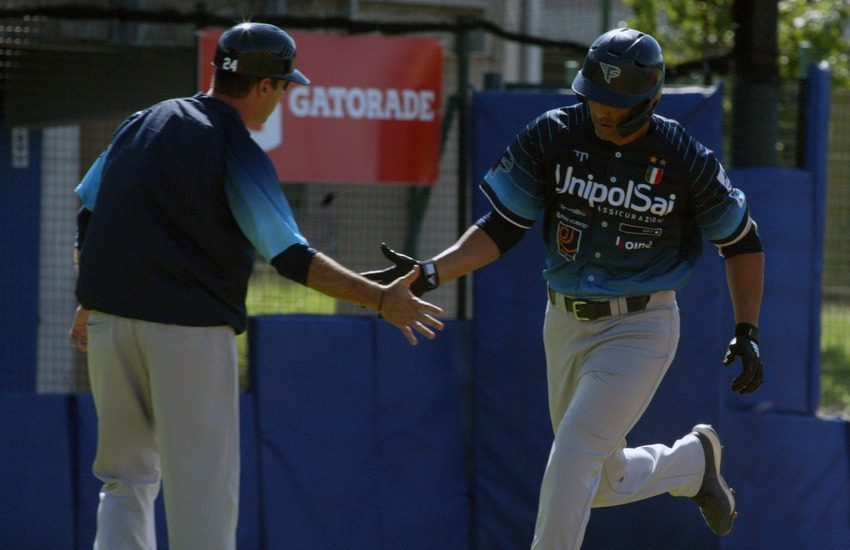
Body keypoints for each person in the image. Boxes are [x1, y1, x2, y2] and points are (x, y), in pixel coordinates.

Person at [363, 27, 765, 549]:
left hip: (640, 325)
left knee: (573, 456)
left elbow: (741, 241)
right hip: (565, 321)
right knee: (599, 480)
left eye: (617, 102)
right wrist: (432, 272)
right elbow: (502, 226)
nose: (601, 108)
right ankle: (690, 465)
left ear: (650, 100)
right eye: (595, 95)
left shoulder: (684, 157)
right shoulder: (554, 133)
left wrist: (747, 328)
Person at [67, 22, 443, 550]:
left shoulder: (144, 121)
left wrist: (88, 299)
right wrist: (380, 299)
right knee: (201, 488)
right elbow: (290, 256)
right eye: (286, 84)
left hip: (110, 322)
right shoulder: (234, 146)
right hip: (187, 334)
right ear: (265, 86)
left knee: (123, 480)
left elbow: (88, 208)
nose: (287, 95)